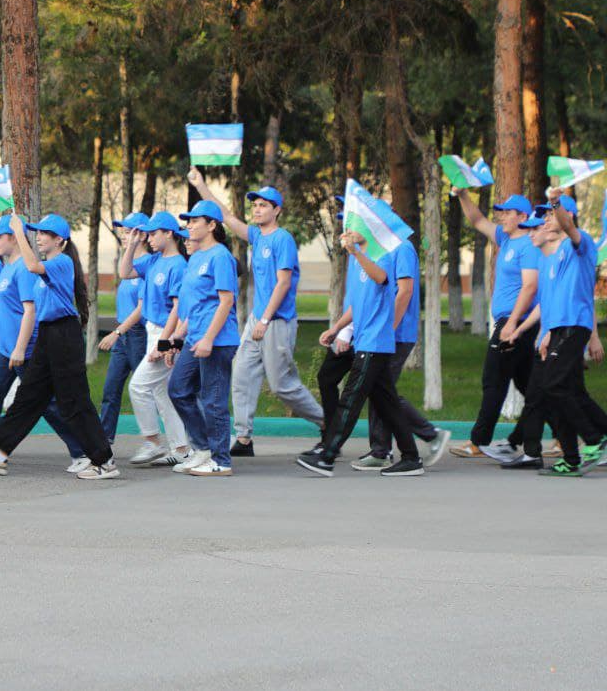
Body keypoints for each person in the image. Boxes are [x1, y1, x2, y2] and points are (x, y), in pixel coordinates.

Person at [187, 171, 325, 455]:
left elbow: (284, 282)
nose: (257, 209)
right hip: (256, 321)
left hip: (276, 321)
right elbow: (224, 214)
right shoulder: (256, 237)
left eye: (264, 205)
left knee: (281, 385)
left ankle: (329, 424)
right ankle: (244, 439)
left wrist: (264, 319)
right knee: (241, 375)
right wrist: (200, 185)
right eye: (255, 205)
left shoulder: (282, 239)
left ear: (277, 210)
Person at [0, 213, 119, 480]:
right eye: (38, 232)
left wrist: (19, 232)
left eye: (45, 234)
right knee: (29, 395)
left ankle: (104, 461)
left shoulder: (62, 262)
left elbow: (32, 265)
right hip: (47, 335)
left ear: (60, 240)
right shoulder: (49, 265)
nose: (40, 237)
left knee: (73, 400)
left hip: (64, 336)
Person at [297, 228, 423, 478]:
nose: (348, 231)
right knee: (387, 404)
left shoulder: (382, 255)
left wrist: (356, 253)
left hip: (376, 342)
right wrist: (337, 328)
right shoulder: (361, 259)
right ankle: (411, 458)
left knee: (351, 399)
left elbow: (382, 278)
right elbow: (359, 304)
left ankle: (328, 455)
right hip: (365, 340)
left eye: (354, 226)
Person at [0, 216, 88, 471]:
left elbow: (30, 311)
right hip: (4, 346)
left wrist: (21, 348)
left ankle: (83, 451)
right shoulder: (6, 268)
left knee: (46, 404)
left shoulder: (25, 267)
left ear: (13, 237)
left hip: (24, 348)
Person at [502, 194, 607, 476]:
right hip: (560, 329)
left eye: (548, 218)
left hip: (575, 326)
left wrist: (557, 204)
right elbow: (547, 305)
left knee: (553, 386)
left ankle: (596, 439)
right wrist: (540, 332)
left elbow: (569, 228)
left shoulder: (578, 244)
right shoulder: (548, 261)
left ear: (565, 216)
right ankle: (572, 458)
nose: (544, 223)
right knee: (566, 391)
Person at [448, 192, 541, 459]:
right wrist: (462, 194)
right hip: (512, 323)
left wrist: (510, 324)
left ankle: (478, 441)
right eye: (501, 211)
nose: (502, 216)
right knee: (531, 387)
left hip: (516, 323)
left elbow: (530, 286)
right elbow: (477, 219)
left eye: (508, 212)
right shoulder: (505, 238)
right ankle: (560, 435)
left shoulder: (528, 247)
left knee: (493, 381)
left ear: (523, 216)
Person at [353, 234, 452, 470]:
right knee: (379, 389)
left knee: (382, 390)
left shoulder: (402, 248)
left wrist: (388, 328)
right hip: (379, 333)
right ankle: (382, 450)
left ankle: (428, 435)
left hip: (396, 334)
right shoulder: (376, 250)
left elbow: (405, 291)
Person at [165, 200, 240, 476]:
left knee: (213, 400)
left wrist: (209, 338)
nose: (189, 225)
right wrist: (176, 339)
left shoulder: (221, 256)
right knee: (178, 389)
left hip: (217, 341)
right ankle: (203, 448)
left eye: (195, 220)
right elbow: (192, 306)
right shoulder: (196, 258)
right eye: (189, 221)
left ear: (211, 225)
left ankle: (221, 461)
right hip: (195, 338)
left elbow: (226, 301)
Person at [117, 212, 191, 466]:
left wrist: (166, 343)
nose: (148, 238)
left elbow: (178, 309)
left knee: (138, 387)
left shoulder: (178, 266)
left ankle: (152, 442)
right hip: (152, 329)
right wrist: (132, 245)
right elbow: (124, 272)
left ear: (169, 234)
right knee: (162, 393)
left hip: (164, 332)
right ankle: (181, 448)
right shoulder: (154, 260)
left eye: (152, 233)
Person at [93, 212, 149, 448]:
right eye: (124, 232)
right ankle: (104, 440)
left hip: (137, 335)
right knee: (110, 389)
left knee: (148, 390)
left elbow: (142, 308)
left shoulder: (148, 265)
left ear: (143, 235)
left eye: (129, 232)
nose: (124, 236)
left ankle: (166, 441)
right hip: (124, 336)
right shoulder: (131, 267)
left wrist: (117, 332)